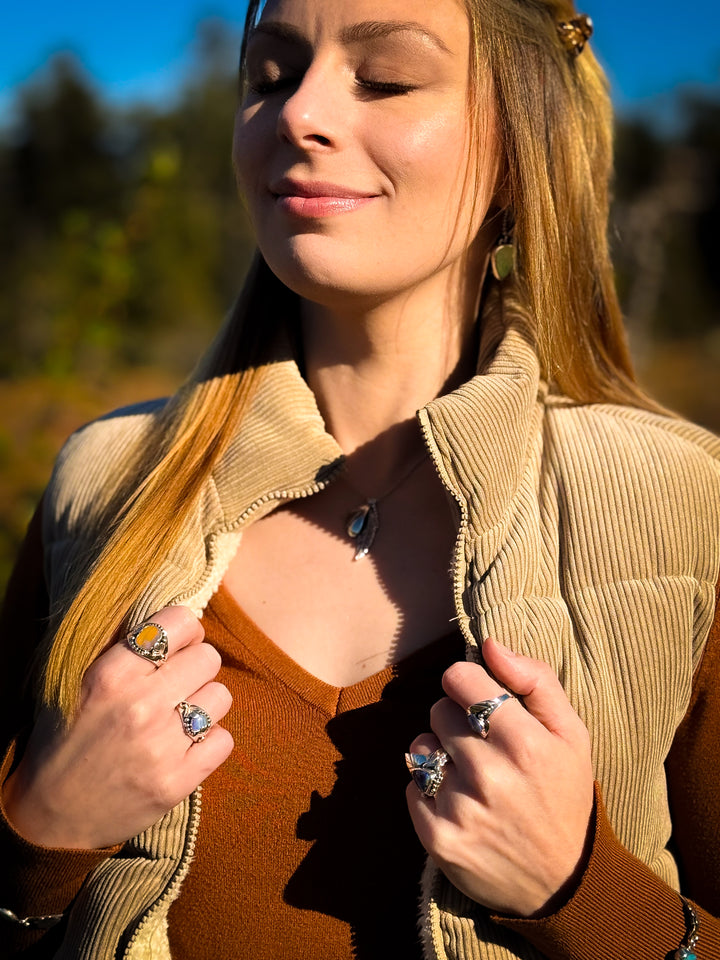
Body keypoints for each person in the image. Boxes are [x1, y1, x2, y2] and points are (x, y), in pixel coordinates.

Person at [0, 0, 718, 957]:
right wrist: (37, 841)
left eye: (385, 79)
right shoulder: (102, 482)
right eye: (269, 77)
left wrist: (580, 894)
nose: (298, 114)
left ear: (519, 146)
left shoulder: (685, 506)